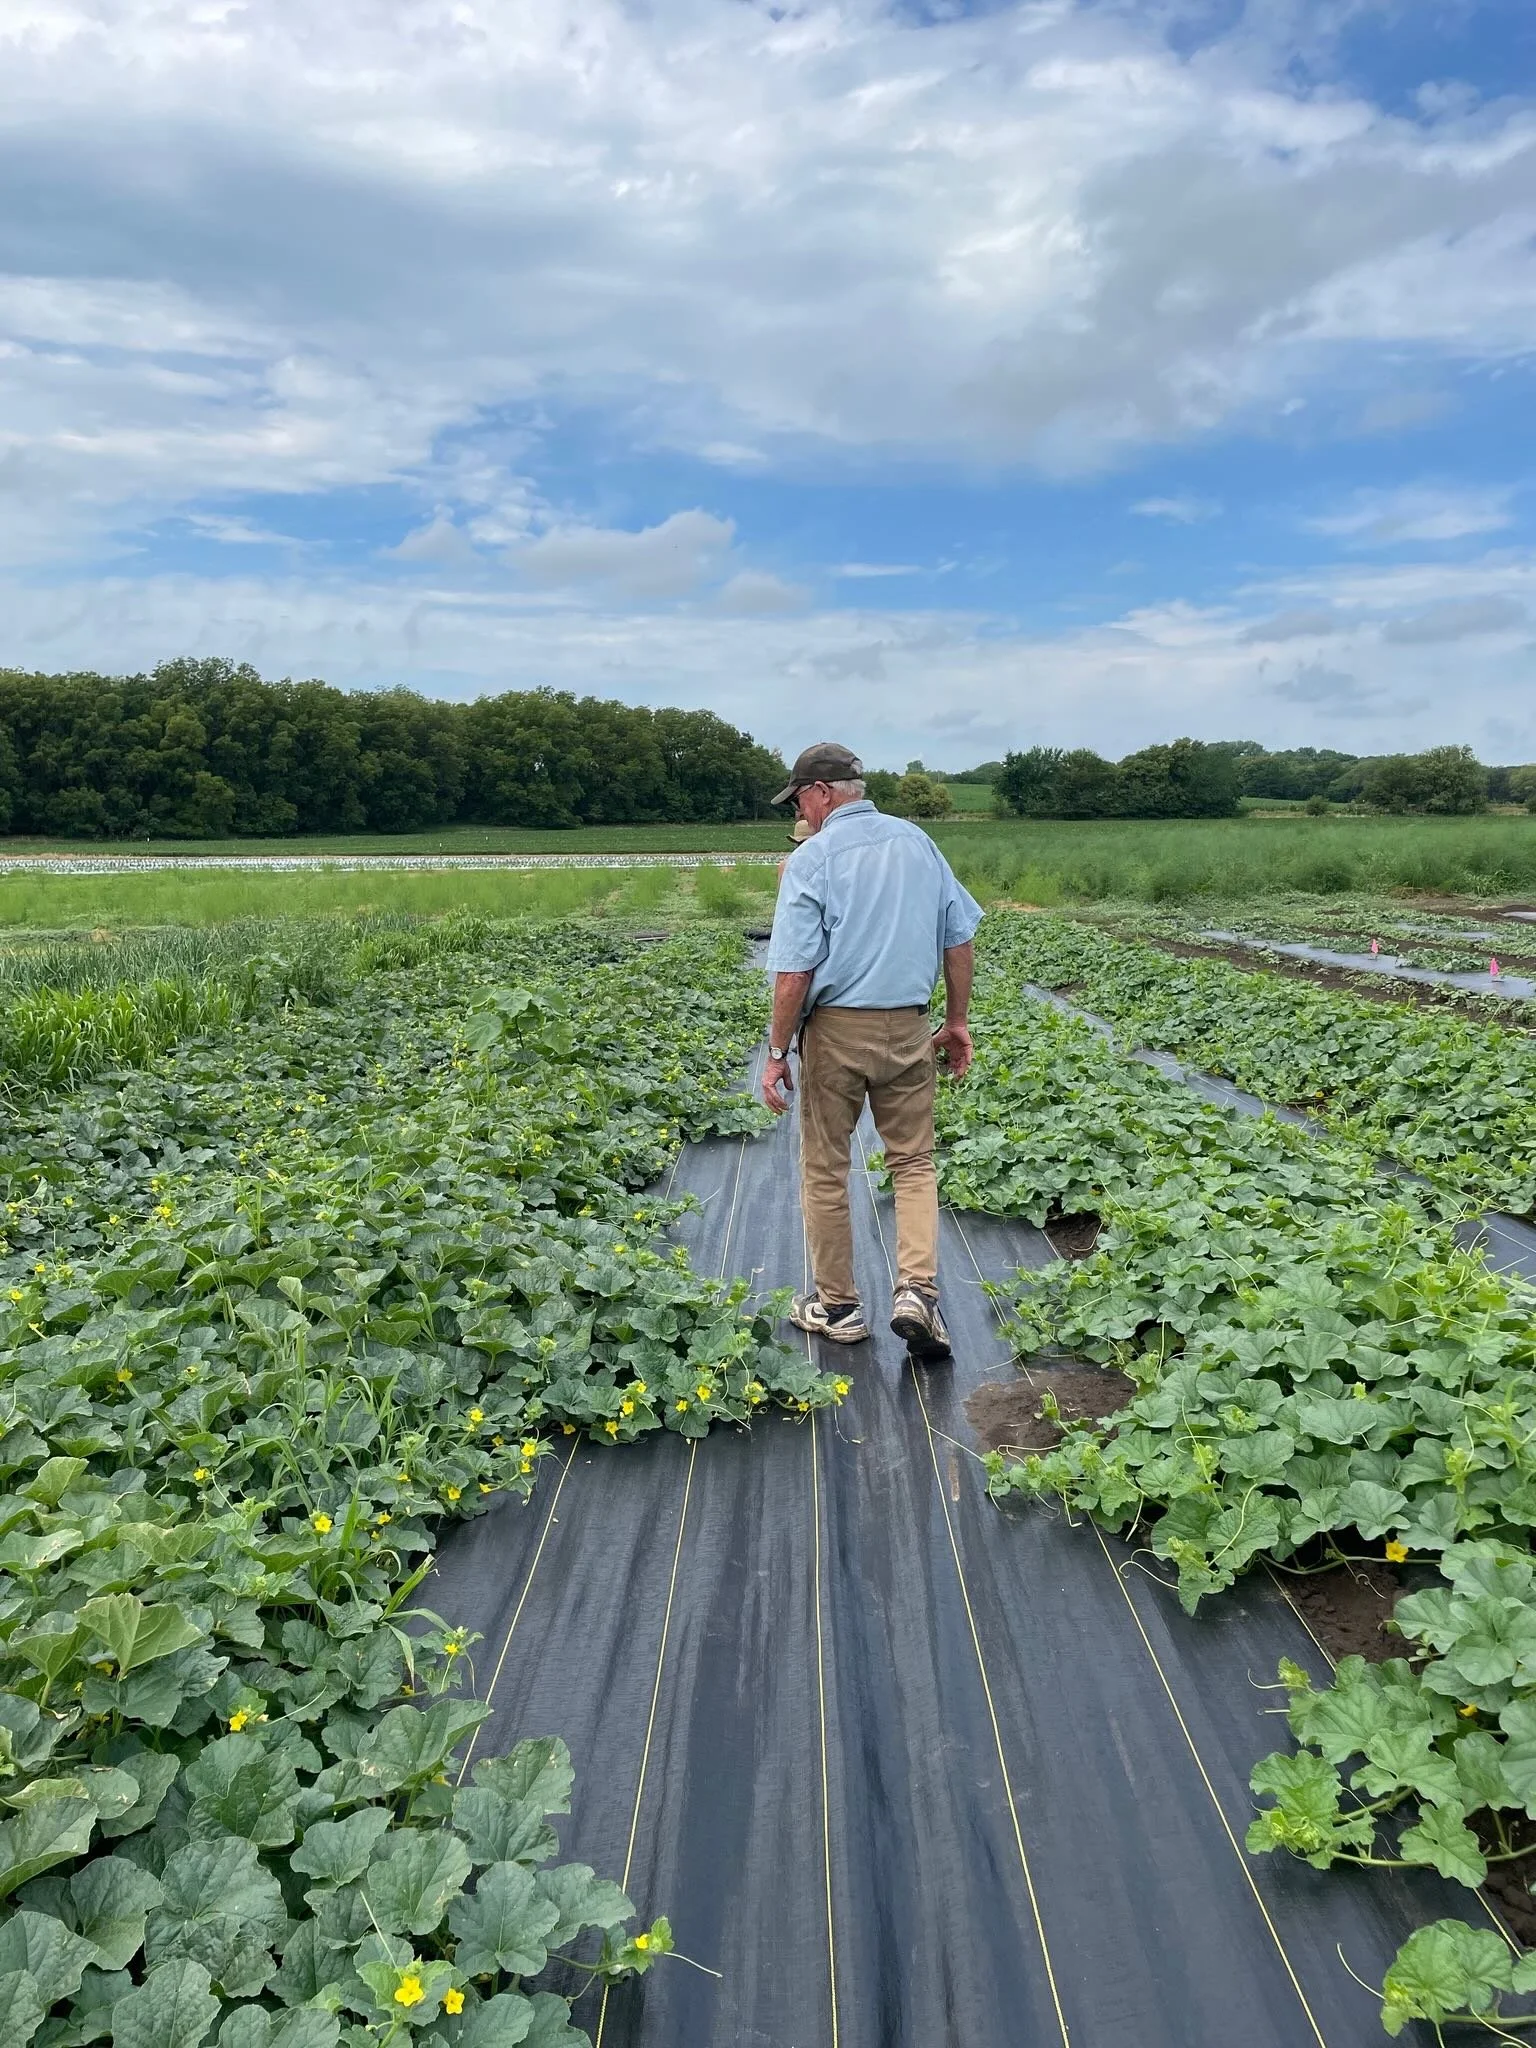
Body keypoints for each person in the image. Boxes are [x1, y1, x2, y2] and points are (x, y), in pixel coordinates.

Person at [760, 741, 981, 1362]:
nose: (802, 809)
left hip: (835, 1031)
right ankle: (917, 1292)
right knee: (912, 1162)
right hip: (909, 1027)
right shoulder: (918, 843)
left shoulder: (814, 857)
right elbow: (959, 937)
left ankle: (837, 1306)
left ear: (823, 792)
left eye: (801, 797)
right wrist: (956, 1021)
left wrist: (778, 1050)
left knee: (826, 1165)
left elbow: (794, 973)